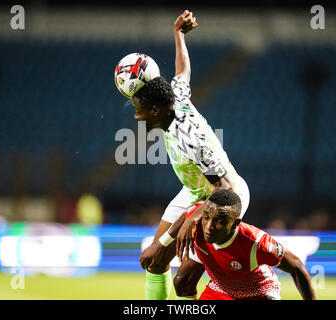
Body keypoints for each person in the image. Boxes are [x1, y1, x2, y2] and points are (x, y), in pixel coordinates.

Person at [136, 10, 250, 300]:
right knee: (155, 261)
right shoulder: (175, 96)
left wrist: (191, 220)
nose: (136, 117)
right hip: (196, 192)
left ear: (155, 111)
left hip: (224, 199)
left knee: (183, 282)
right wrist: (179, 35)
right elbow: (182, 72)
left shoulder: (191, 138)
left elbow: (224, 189)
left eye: (139, 110)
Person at [145, 189, 317, 300]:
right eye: (206, 217)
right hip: (220, 291)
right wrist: (160, 244)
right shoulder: (196, 222)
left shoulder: (255, 242)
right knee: (181, 280)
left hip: (258, 294)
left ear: (235, 223)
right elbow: (187, 214)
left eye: (219, 221)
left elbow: (296, 267)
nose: (209, 227)